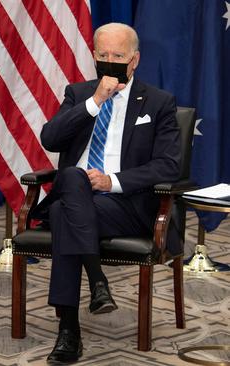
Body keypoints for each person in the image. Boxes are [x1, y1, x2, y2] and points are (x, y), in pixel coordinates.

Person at [37, 23, 180, 363]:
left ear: (135, 60)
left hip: (126, 203)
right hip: (79, 196)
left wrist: (111, 181)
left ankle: (69, 329)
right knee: (72, 180)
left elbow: (168, 166)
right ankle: (94, 287)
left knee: (62, 213)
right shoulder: (78, 93)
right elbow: (50, 139)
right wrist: (95, 101)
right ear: (94, 56)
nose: (111, 61)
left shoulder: (159, 103)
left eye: (119, 56)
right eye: (104, 55)